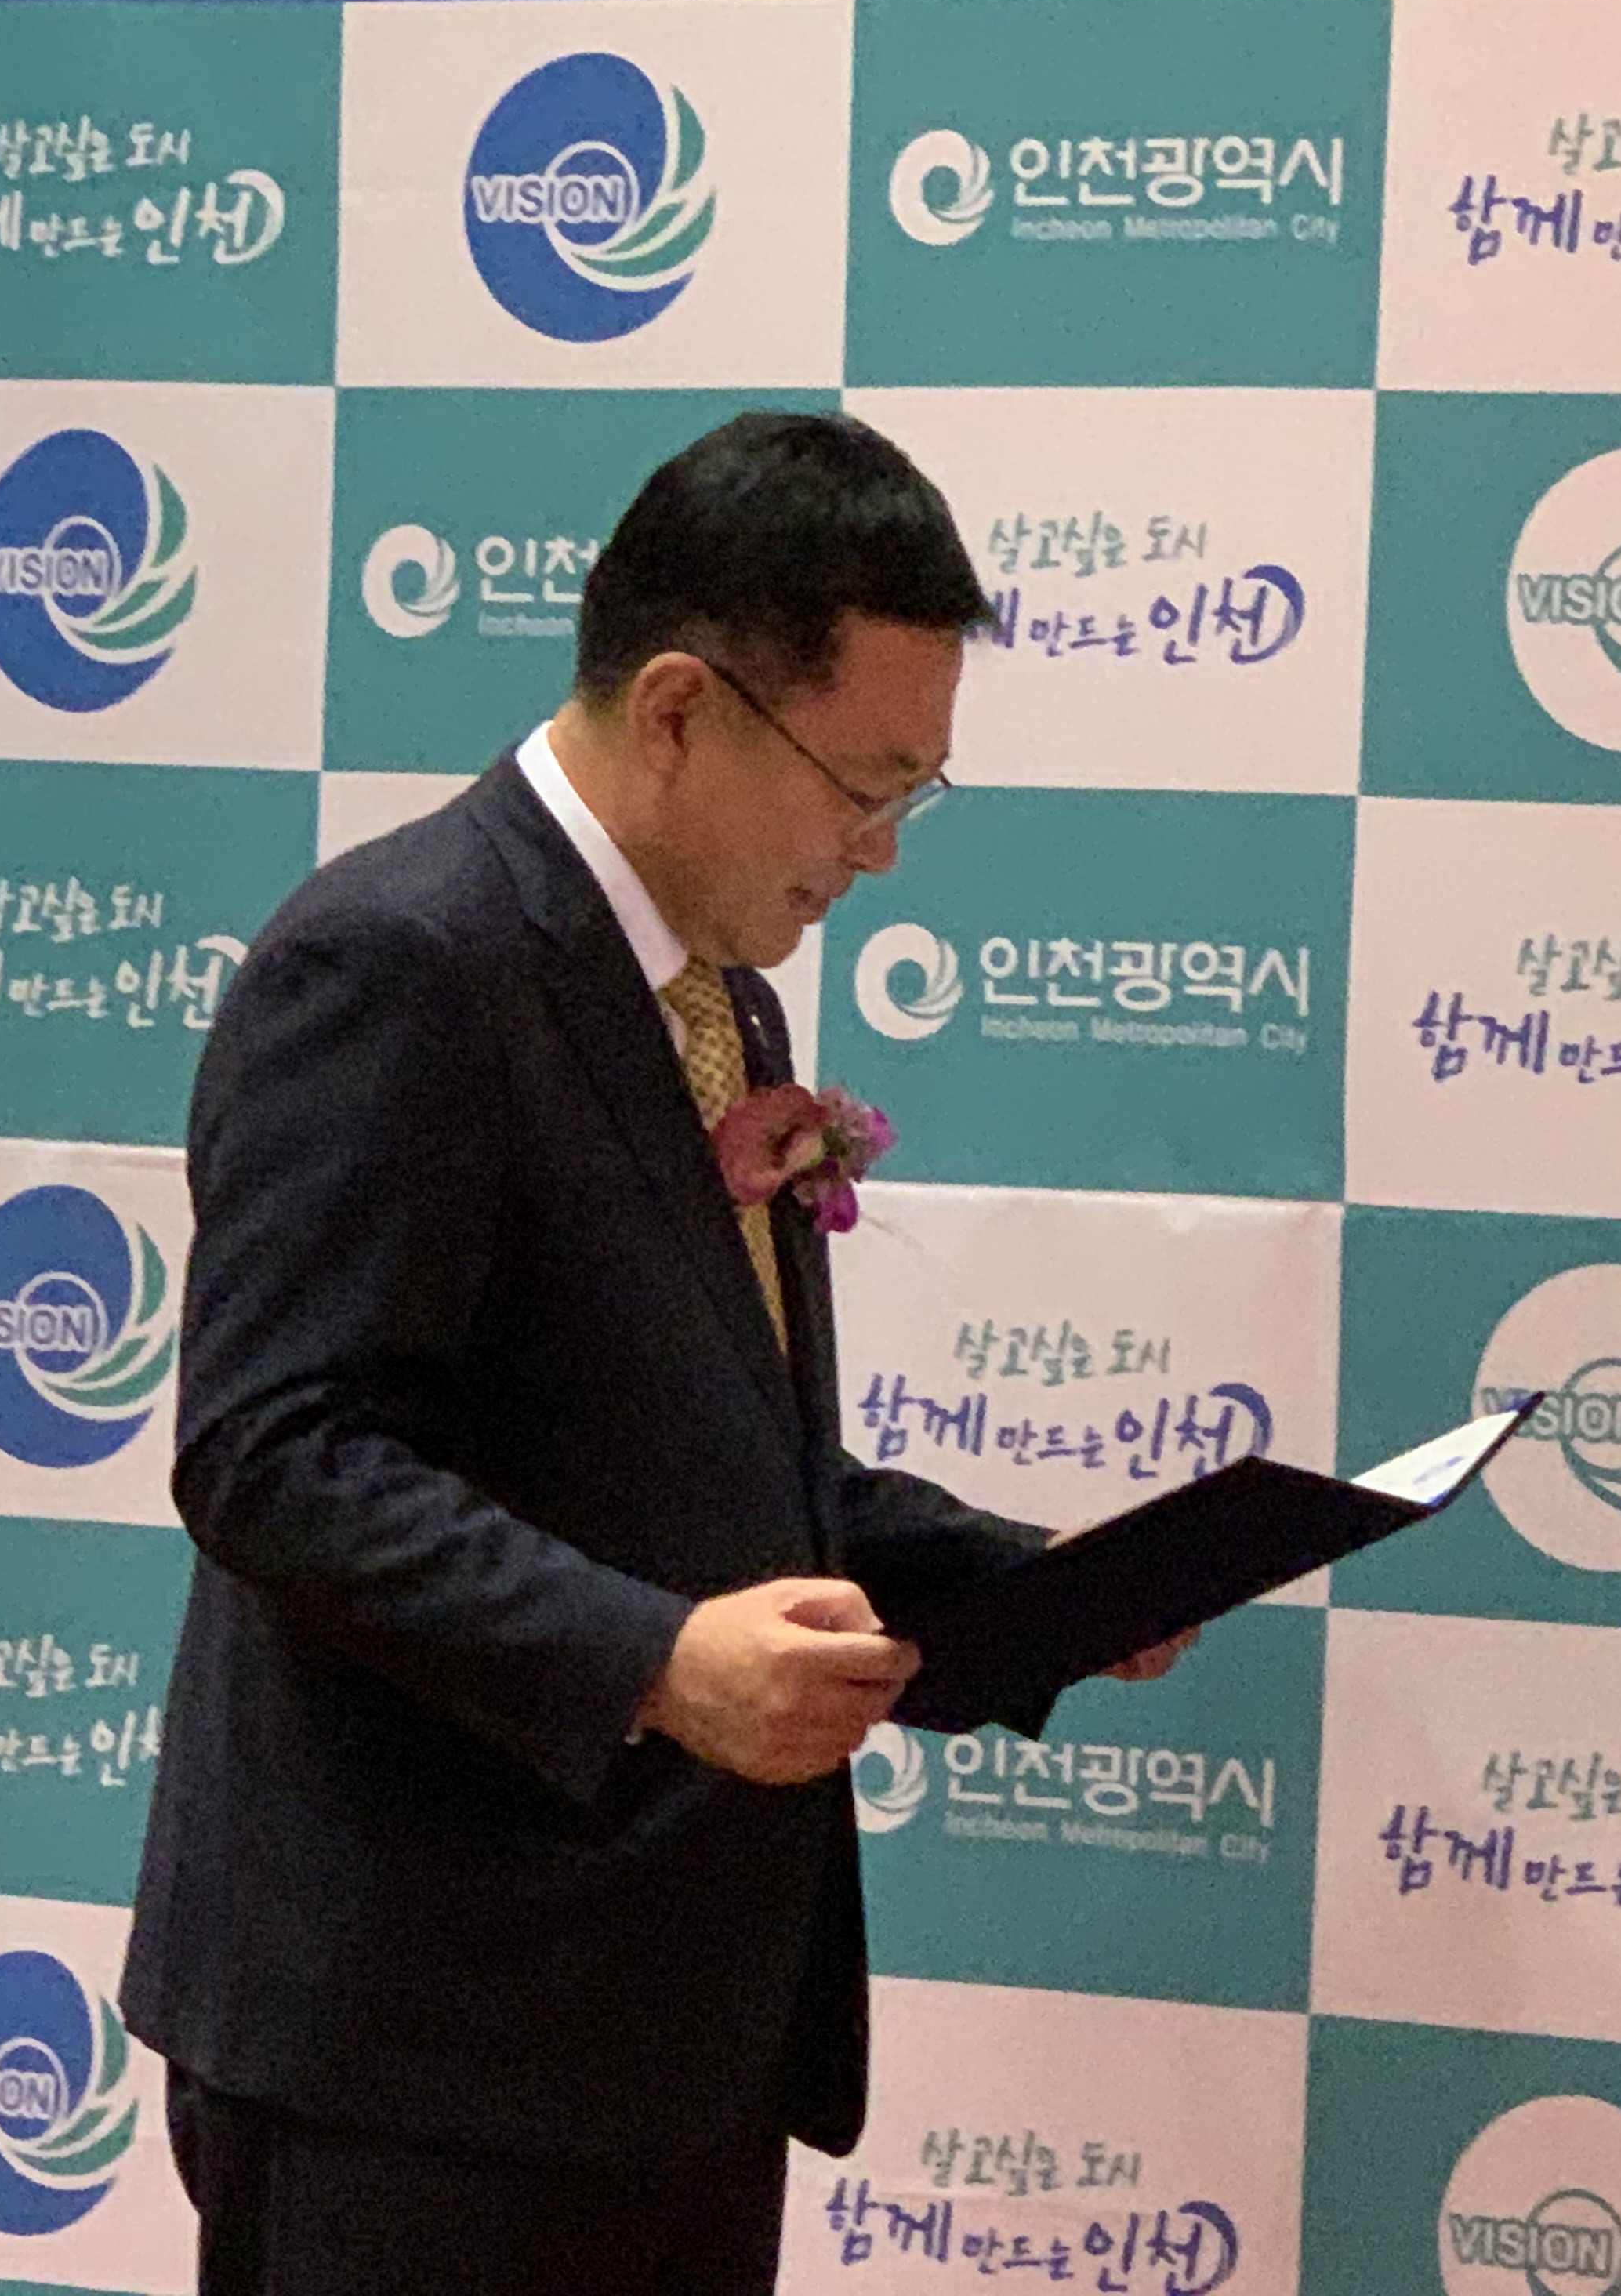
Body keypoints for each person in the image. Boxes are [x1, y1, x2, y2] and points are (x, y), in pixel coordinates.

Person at [124, 412, 1186, 2296]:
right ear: (682, 707)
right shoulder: (401, 957)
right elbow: (275, 1456)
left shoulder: (719, 1002)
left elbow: (701, 1455)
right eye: (863, 785)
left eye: (918, 796)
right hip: (423, 2047)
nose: (879, 852)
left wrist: (1031, 1587)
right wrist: (653, 1663)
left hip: (666, 2033)